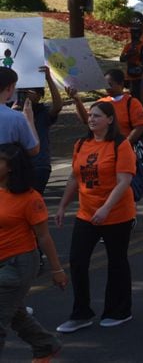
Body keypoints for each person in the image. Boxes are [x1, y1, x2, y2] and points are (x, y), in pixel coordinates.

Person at [55, 101, 137, 333]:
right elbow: (74, 178)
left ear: (110, 120)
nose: (91, 119)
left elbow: (124, 181)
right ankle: (81, 313)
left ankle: (119, 310)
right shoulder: (81, 144)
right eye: (90, 116)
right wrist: (62, 206)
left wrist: (106, 208)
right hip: (87, 213)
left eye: (97, 116)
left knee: (117, 261)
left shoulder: (120, 145)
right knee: (78, 260)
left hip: (117, 214)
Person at [0, 143, 67, 361]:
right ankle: (45, 345)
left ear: (10, 167)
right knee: (16, 314)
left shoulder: (30, 198)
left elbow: (44, 237)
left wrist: (57, 270)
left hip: (18, 265)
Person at [12, 67, 62, 193]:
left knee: (32, 200)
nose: (26, 93)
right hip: (14, 165)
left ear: (39, 96)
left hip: (39, 165)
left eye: (30, 90)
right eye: (22, 90)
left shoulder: (42, 112)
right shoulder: (11, 110)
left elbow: (57, 106)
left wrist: (48, 78)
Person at [0, 68, 39, 157]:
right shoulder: (17, 118)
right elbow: (33, 150)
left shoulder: (14, 116)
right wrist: (29, 120)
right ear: (9, 87)